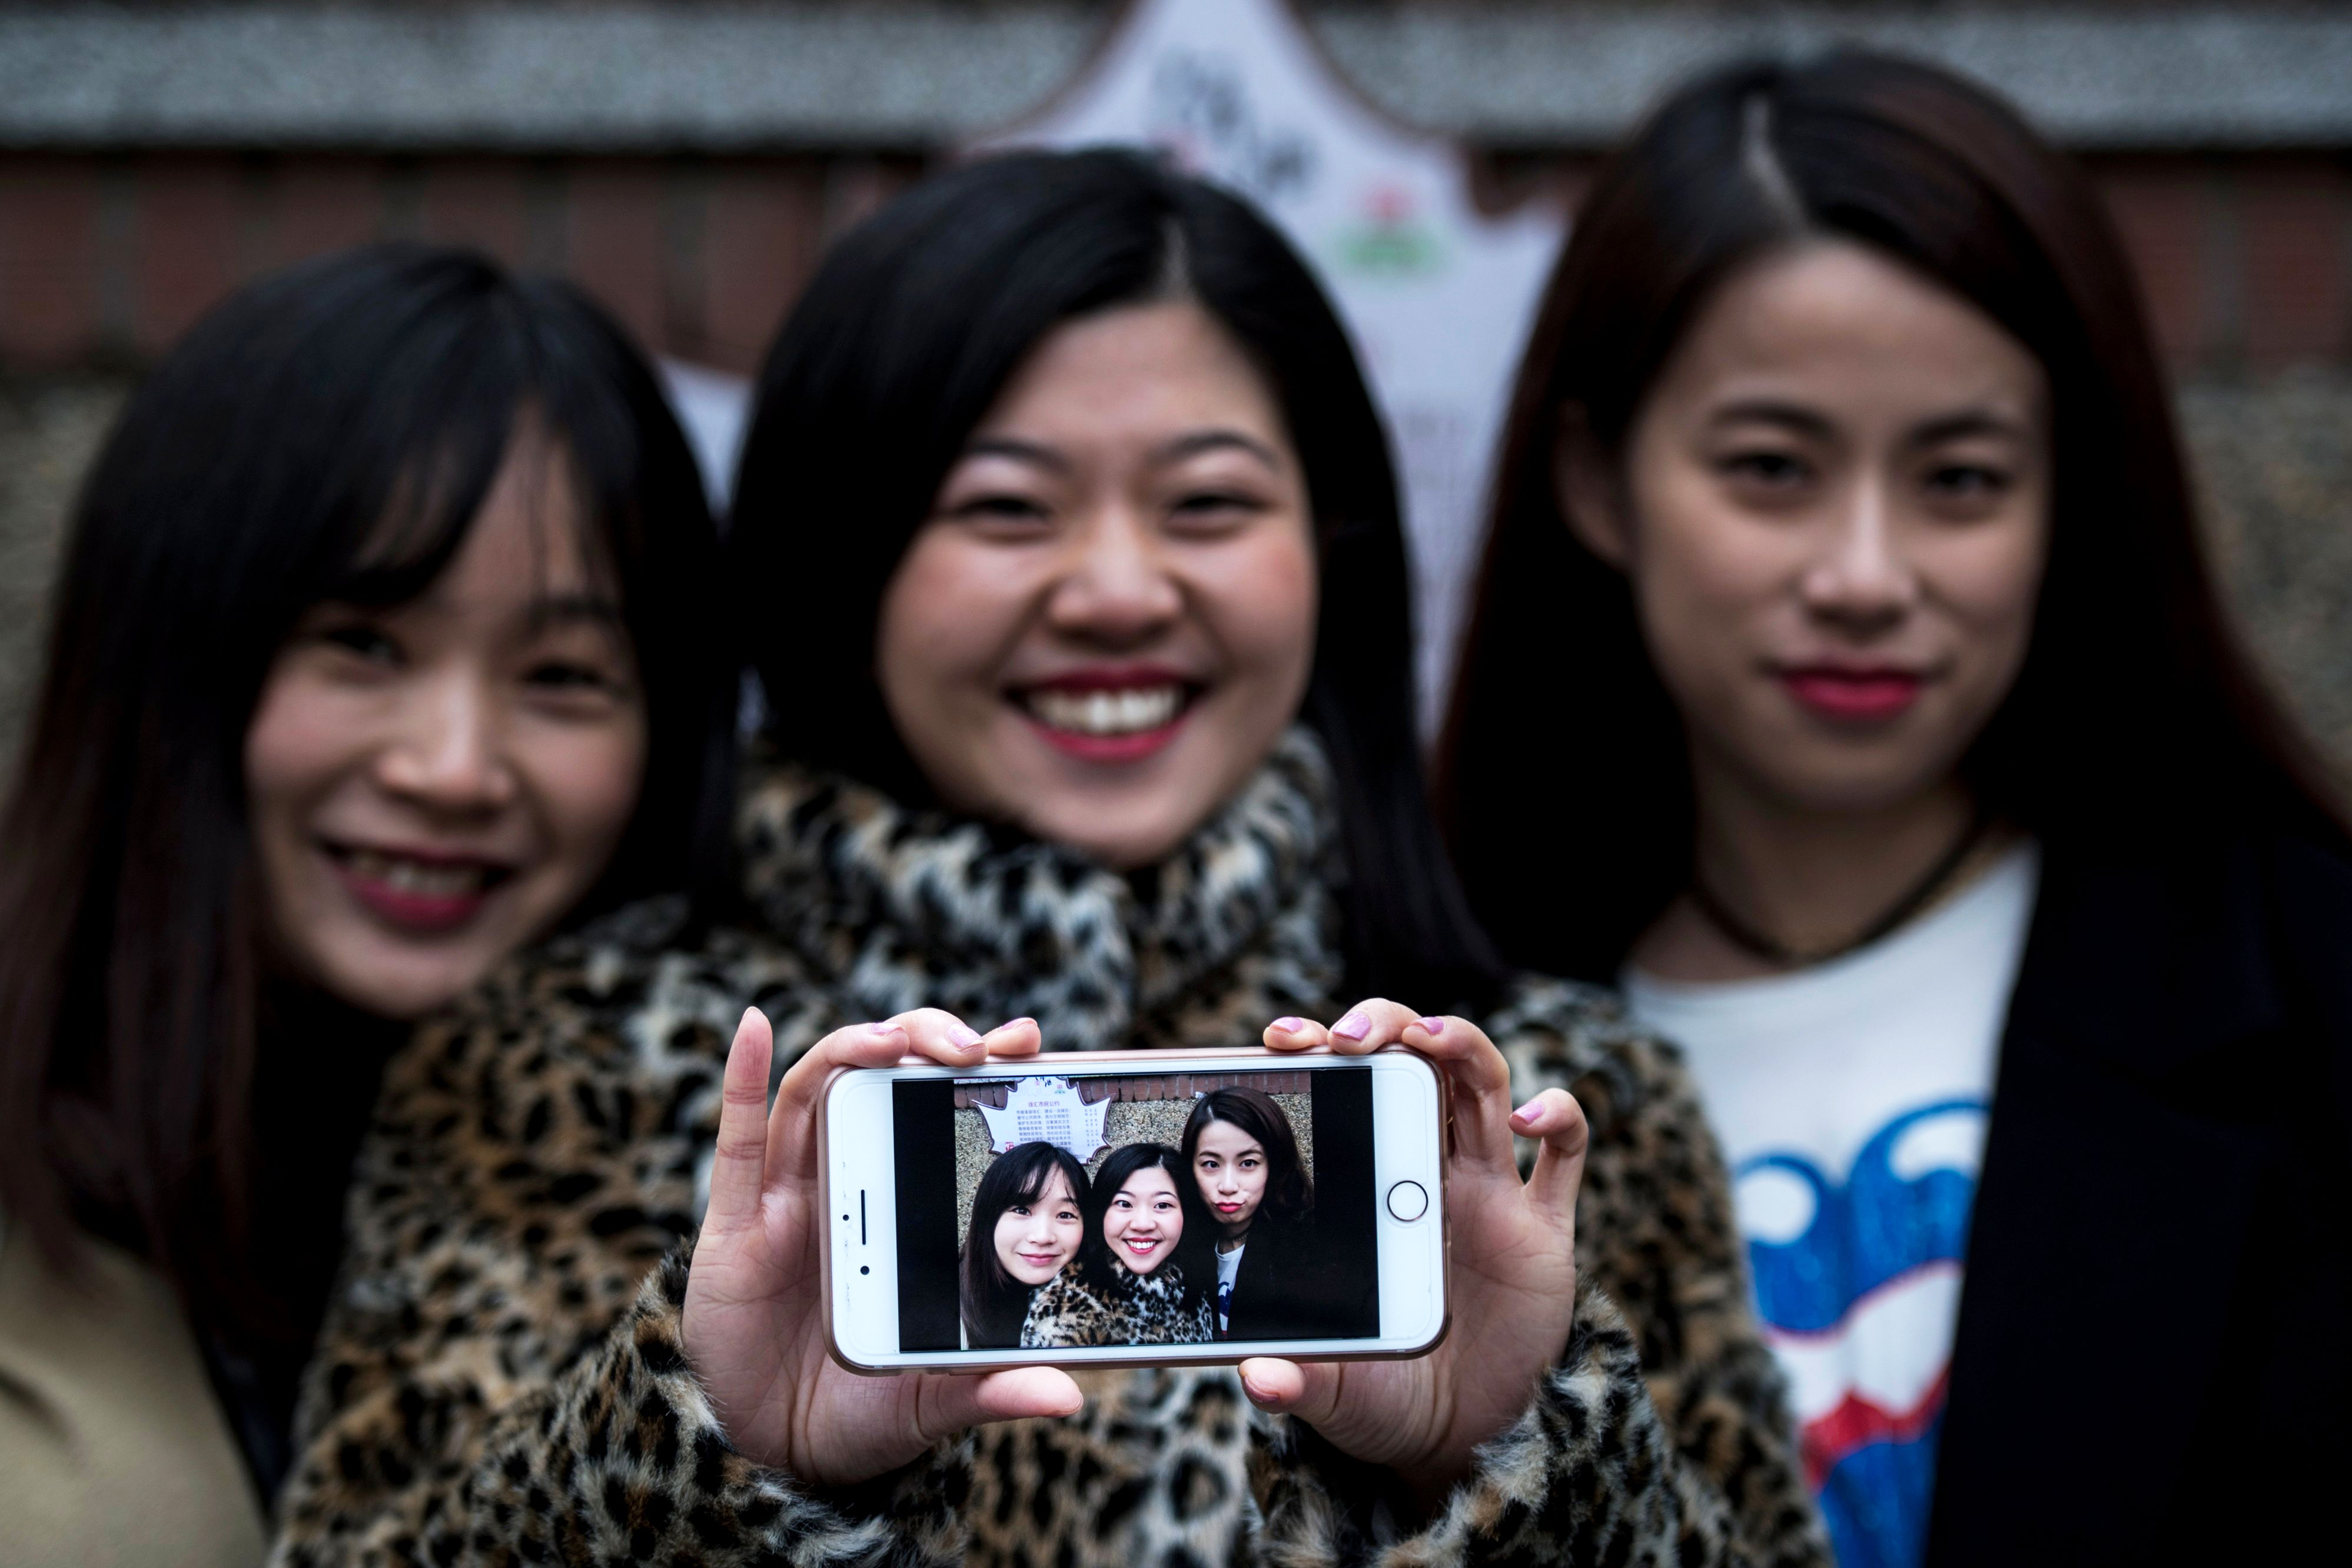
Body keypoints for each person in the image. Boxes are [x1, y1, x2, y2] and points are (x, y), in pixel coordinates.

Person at [275, 151, 1829, 1567]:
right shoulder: (557, 1074)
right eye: (1005, 509)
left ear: (1329, 550)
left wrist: (1508, 1465)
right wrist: (716, 1464)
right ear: (844, 556)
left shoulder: (1548, 1112)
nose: (1114, 590)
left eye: (1207, 505)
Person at [1440, 52, 2352, 1568]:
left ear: (2068, 501)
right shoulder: (1420, 1050)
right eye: (1771, 468)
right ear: (1595, 477)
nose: (1862, 573)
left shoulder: (2308, 995)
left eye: (1959, 478)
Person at [0, 244, 735, 1565]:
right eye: (364, 645)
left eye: (564, 675)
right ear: (161, 660)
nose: (451, 768)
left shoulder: (736, 1239)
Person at [1181, 1087, 1348, 1340]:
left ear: (1275, 1166)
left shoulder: (1310, 1247)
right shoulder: (1180, 1246)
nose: (1228, 1186)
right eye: (1211, 1164)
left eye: (1248, 1163)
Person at [1024, 1142, 1215, 1347]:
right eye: (1124, 1204)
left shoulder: (1192, 1288)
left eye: (1162, 1205)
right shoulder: (1065, 1308)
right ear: (1101, 1214)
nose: (1143, 1224)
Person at [959, 1141, 1089, 1348]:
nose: (1043, 1236)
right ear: (988, 1219)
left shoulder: (1106, 1313)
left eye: (1065, 1215)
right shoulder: (940, 1311)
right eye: (1022, 1210)